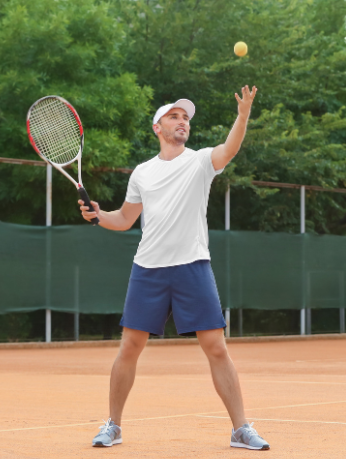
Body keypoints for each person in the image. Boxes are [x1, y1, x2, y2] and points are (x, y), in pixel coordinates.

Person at [79, 86, 269, 451]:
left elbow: (229, 149)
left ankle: (240, 429)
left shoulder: (200, 162)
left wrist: (243, 116)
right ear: (158, 127)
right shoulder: (142, 173)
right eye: (174, 117)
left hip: (192, 267)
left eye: (185, 118)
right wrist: (98, 216)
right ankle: (113, 426)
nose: (182, 122)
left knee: (216, 347)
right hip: (148, 269)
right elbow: (124, 219)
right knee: (129, 347)